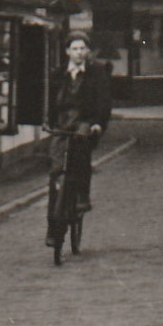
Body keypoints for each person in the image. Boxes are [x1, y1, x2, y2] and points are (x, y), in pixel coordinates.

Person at [45, 31, 112, 246]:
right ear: (67, 52)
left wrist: (97, 124)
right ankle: (53, 229)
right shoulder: (57, 74)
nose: (79, 53)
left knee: (82, 154)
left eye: (83, 48)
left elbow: (104, 102)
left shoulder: (97, 73)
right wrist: (47, 121)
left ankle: (82, 197)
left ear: (88, 51)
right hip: (62, 125)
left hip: (84, 123)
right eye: (74, 49)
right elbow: (48, 101)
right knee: (56, 174)